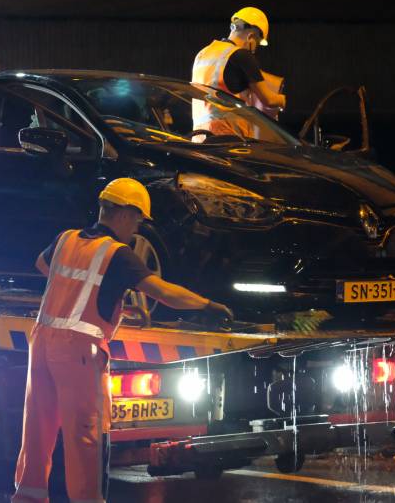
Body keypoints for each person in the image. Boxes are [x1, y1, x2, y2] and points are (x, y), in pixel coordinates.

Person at [12, 177, 234, 503]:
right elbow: (163, 292)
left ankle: (27, 497)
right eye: (138, 219)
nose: (137, 228)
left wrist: (109, 298)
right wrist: (208, 305)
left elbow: (43, 265)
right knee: (84, 438)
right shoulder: (117, 253)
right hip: (79, 352)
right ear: (125, 214)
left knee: (37, 430)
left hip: (42, 342)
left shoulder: (66, 239)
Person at [192, 6, 286, 137]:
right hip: (227, 138)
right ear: (251, 37)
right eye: (257, 43)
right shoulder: (241, 56)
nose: (254, 49)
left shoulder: (203, 53)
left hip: (199, 136)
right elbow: (268, 100)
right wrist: (282, 100)